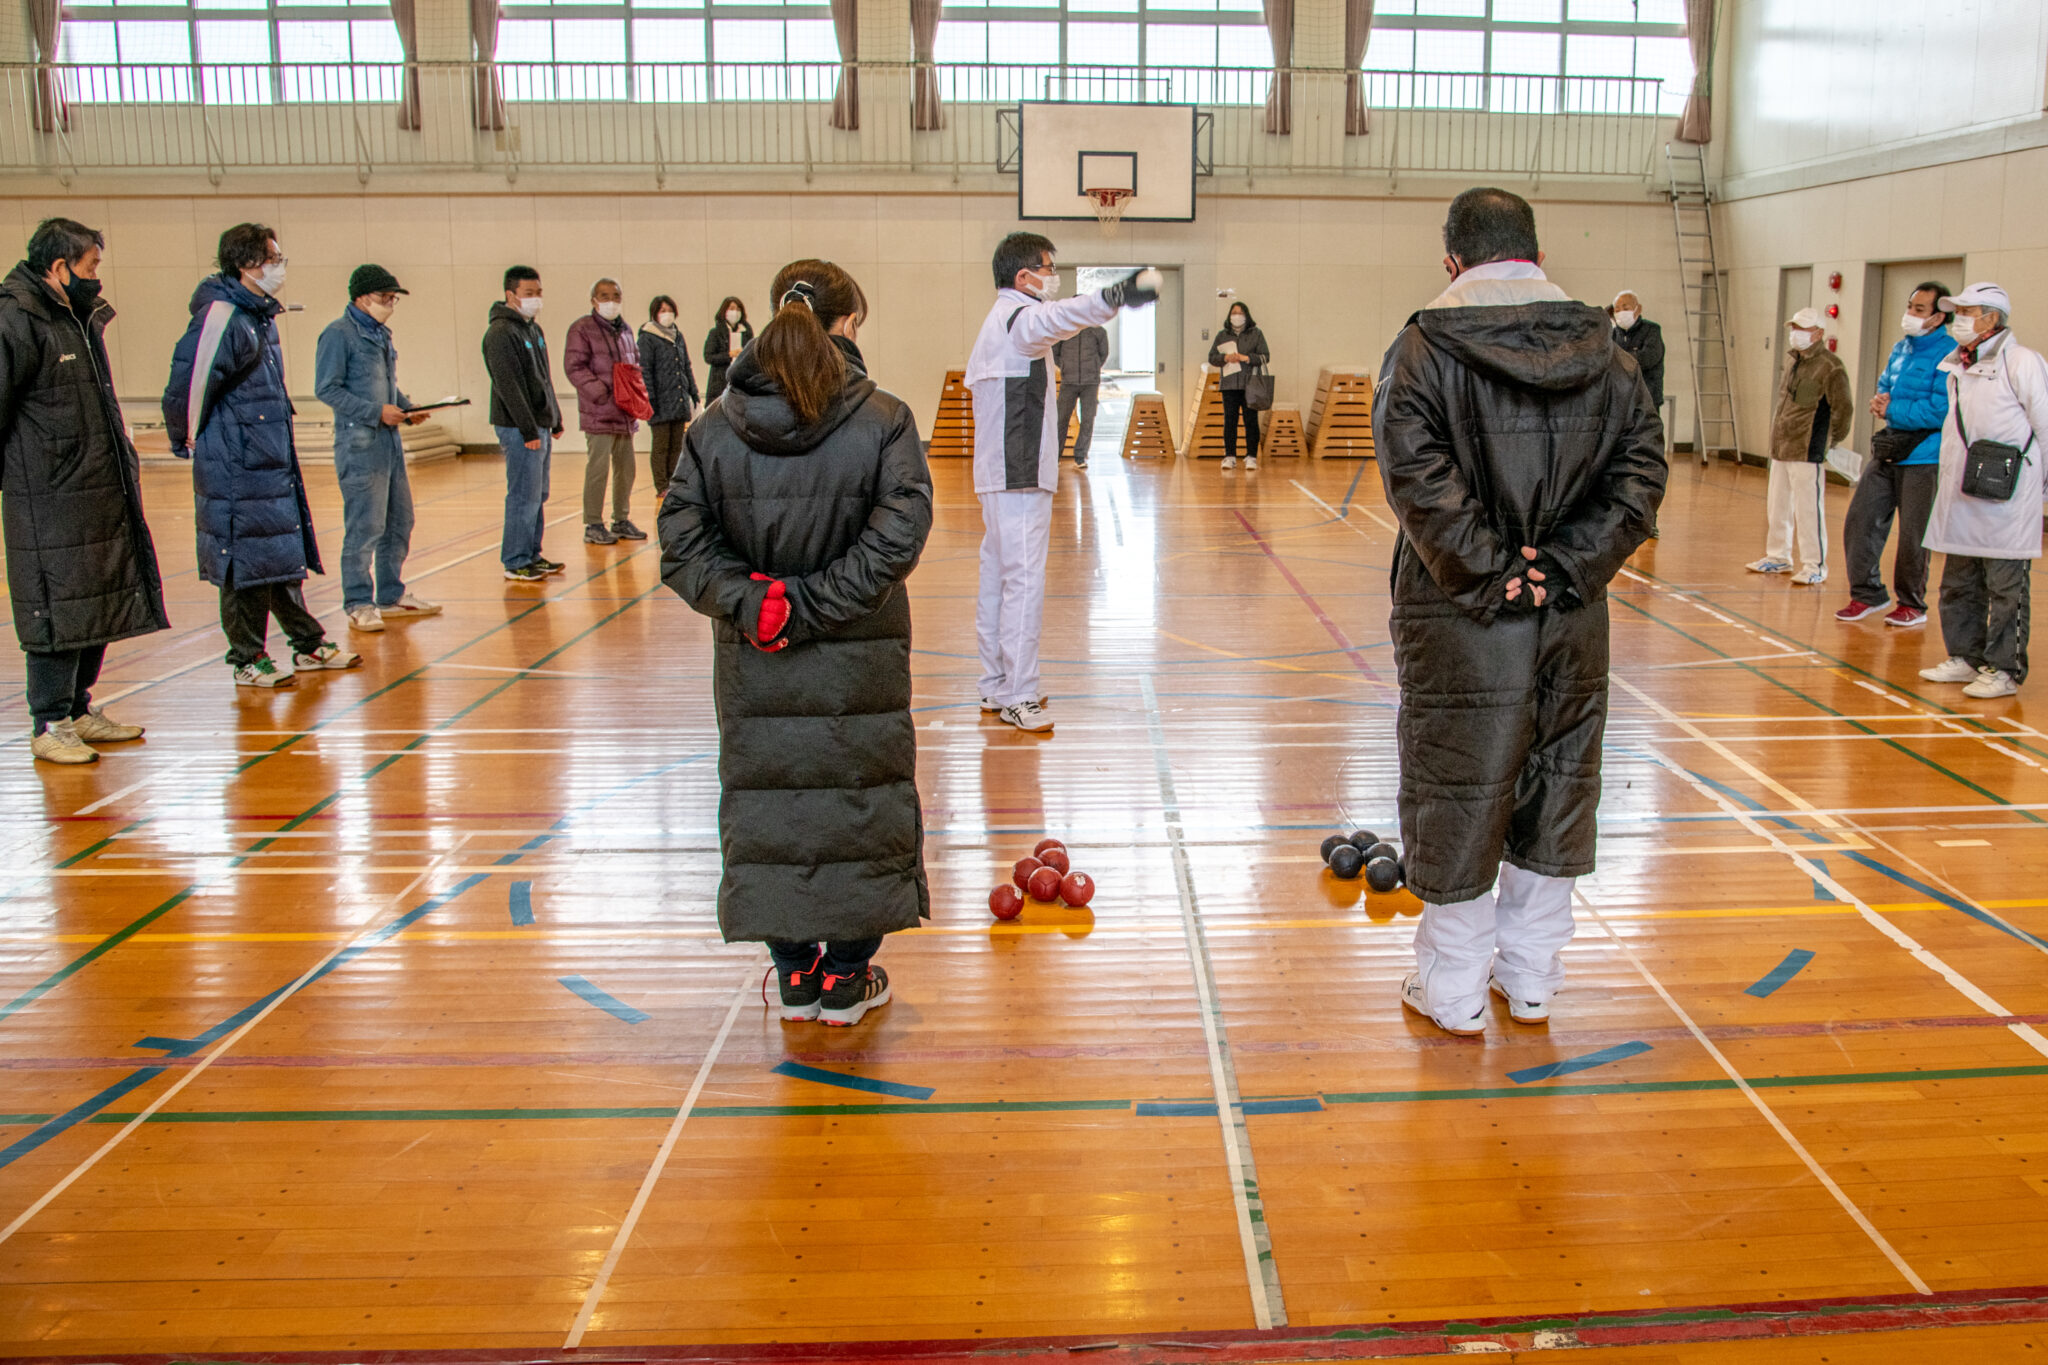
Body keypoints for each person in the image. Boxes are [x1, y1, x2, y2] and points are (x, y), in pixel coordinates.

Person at [1374, 187, 1665, 1036]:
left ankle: (1454, 989)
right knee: (1559, 779)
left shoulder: (1423, 348)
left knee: (1457, 784)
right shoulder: (1611, 355)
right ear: (1537, 254)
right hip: (1570, 612)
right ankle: (1533, 977)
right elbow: (1642, 473)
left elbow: (1415, 476)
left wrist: (1493, 572)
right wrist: (1567, 563)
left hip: (1461, 612)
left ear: (1451, 262)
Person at [658, 259, 933, 1028]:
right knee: (860, 801)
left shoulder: (712, 429)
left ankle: (795, 973)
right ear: (848, 324)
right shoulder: (886, 419)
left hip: (757, 658)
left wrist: (760, 605)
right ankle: (846, 976)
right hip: (859, 656)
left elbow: (680, 544)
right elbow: (898, 536)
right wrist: (814, 606)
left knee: (769, 802)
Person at [967, 234, 1156, 734]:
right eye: (1048, 268)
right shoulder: (1019, 319)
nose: (1053, 277)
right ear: (1023, 276)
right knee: (1023, 581)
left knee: (999, 578)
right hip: (1019, 473)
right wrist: (1114, 296)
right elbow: (1059, 317)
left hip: (1000, 474)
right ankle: (1019, 694)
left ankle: (996, 684)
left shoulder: (998, 320)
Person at [0, 217, 168, 764]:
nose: (97, 276)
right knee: (58, 606)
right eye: (91, 266)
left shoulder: (75, 316)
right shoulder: (16, 317)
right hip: (48, 498)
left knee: (95, 599)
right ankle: (49, 722)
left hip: (95, 488)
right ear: (59, 267)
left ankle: (76, 710)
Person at [164, 223, 359, 688]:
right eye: (273, 259)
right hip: (235, 463)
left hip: (268, 458)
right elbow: (189, 385)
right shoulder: (221, 317)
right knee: (243, 564)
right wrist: (185, 438)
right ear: (247, 264)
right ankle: (247, 658)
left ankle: (307, 643)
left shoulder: (258, 316)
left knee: (278, 556)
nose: (279, 268)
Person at [1918, 282, 2048, 700]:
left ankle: (2004, 669)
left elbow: (2045, 424)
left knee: (2006, 588)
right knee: (1959, 581)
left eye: (1967, 312)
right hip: (1962, 491)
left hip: (2009, 493)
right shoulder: (1958, 364)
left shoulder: (2023, 362)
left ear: (1991, 318)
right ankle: (1965, 656)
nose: (1958, 320)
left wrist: (2044, 487)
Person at [314, 264, 438, 634]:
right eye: (385, 297)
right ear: (362, 297)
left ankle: (390, 595)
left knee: (399, 521)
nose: (390, 304)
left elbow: (384, 384)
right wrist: (375, 412)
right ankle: (358, 602)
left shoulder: (381, 335)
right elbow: (327, 389)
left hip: (389, 443)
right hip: (360, 445)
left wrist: (406, 408)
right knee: (365, 526)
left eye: (393, 298)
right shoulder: (338, 335)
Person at [1837, 283, 1953, 630]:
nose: (1911, 314)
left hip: (1924, 456)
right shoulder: (1901, 348)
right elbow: (1886, 384)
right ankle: (1868, 593)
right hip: (1890, 449)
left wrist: (1894, 409)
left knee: (1913, 535)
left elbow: (1941, 409)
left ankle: (1912, 604)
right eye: (1910, 306)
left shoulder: (1949, 354)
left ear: (1938, 317)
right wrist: (1880, 401)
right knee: (1861, 520)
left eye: (1920, 309)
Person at [1747, 308, 1850, 586]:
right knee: (1777, 505)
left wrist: (1831, 441)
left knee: (1808, 510)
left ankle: (1814, 564)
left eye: (1803, 329)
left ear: (1818, 333)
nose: (1796, 334)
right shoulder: (1793, 361)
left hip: (1807, 449)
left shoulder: (1831, 367)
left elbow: (1843, 410)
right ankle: (1778, 555)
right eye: (1794, 328)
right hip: (1782, 446)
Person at [482, 265, 566, 586]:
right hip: (519, 428)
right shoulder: (500, 333)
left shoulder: (533, 330)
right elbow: (509, 386)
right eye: (529, 293)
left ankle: (532, 553)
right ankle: (515, 560)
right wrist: (528, 429)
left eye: (538, 292)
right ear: (511, 295)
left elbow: (544, 378)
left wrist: (554, 417)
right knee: (523, 495)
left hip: (539, 423)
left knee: (538, 493)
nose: (536, 298)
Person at [564, 277, 646, 546]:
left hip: (624, 412)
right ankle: (593, 524)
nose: (611, 301)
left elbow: (634, 365)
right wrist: (600, 392)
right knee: (598, 470)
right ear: (594, 300)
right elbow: (574, 367)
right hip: (599, 412)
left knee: (627, 469)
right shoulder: (582, 329)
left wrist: (635, 396)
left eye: (615, 296)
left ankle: (621, 519)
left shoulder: (626, 330)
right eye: (605, 296)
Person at [1609, 291, 1665, 537]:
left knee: (1646, 465)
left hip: (1645, 409)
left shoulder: (1652, 332)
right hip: (1618, 408)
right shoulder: (1612, 335)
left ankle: (1649, 520)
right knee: (1618, 466)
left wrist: (1619, 358)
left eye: (1626, 306)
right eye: (1617, 308)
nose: (1621, 311)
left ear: (1637, 309)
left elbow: (1645, 360)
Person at [640, 293, 700, 500]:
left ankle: (675, 482)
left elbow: (686, 366)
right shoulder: (647, 337)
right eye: (663, 310)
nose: (667, 314)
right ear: (655, 314)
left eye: (670, 310)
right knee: (661, 446)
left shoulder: (677, 336)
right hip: (659, 401)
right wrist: (650, 399)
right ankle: (661, 485)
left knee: (677, 446)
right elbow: (645, 370)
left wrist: (693, 392)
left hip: (679, 399)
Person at [1208, 301, 1270, 470]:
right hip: (1229, 384)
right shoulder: (1222, 335)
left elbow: (1265, 356)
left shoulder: (1256, 334)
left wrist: (1246, 358)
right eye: (1234, 313)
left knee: (1251, 420)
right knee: (1230, 421)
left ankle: (1251, 456)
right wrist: (1225, 358)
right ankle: (1230, 456)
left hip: (1251, 383)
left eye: (1240, 313)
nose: (1237, 316)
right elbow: (1212, 357)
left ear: (1246, 315)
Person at [1053, 322, 1108, 469]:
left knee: (1088, 420)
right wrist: (1065, 366)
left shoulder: (1098, 331)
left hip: (1090, 383)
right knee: (1061, 419)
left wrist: (1093, 368)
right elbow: (1055, 352)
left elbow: (1103, 353)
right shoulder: (1064, 329)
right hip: (1068, 382)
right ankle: (1055, 456)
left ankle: (1080, 456)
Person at [703, 296, 753, 405]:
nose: (735, 312)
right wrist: (729, 355)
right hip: (720, 381)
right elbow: (708, 357)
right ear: (724, 311)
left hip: (740, 381)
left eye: (738, 309)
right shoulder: (715, 333)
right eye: (731, 308)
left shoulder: (746, 333)